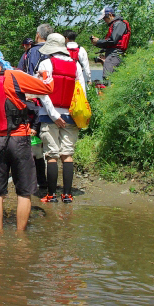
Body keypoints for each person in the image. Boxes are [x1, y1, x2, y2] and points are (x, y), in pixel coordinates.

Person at [0, 47, 53, 233]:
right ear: (0, 58)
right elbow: (47, 88)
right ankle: (20, 236)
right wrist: (45, 71)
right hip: (19, 139)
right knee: (24, 191)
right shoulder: (13, 75)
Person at [35, 33, 87, 204]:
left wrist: (54, 115)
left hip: (50, 117)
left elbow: (43, 91)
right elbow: (82, 93)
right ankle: (67, 195)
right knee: (67, 155)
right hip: (71, 116)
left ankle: (51, 195)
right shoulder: (76, 65)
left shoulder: (45, 63)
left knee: (51, 155)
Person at [91, 6, 131, 80]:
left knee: (107, 77)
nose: (104, 20)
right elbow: (110, 43)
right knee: (108, 77)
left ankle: (107, 90)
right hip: (112, 53)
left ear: (110, 15)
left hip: (114, 54)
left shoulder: (119, 24)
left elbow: (113, 40)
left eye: (104, 18)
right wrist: (97, 43)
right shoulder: (115, 24)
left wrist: (98, 41)